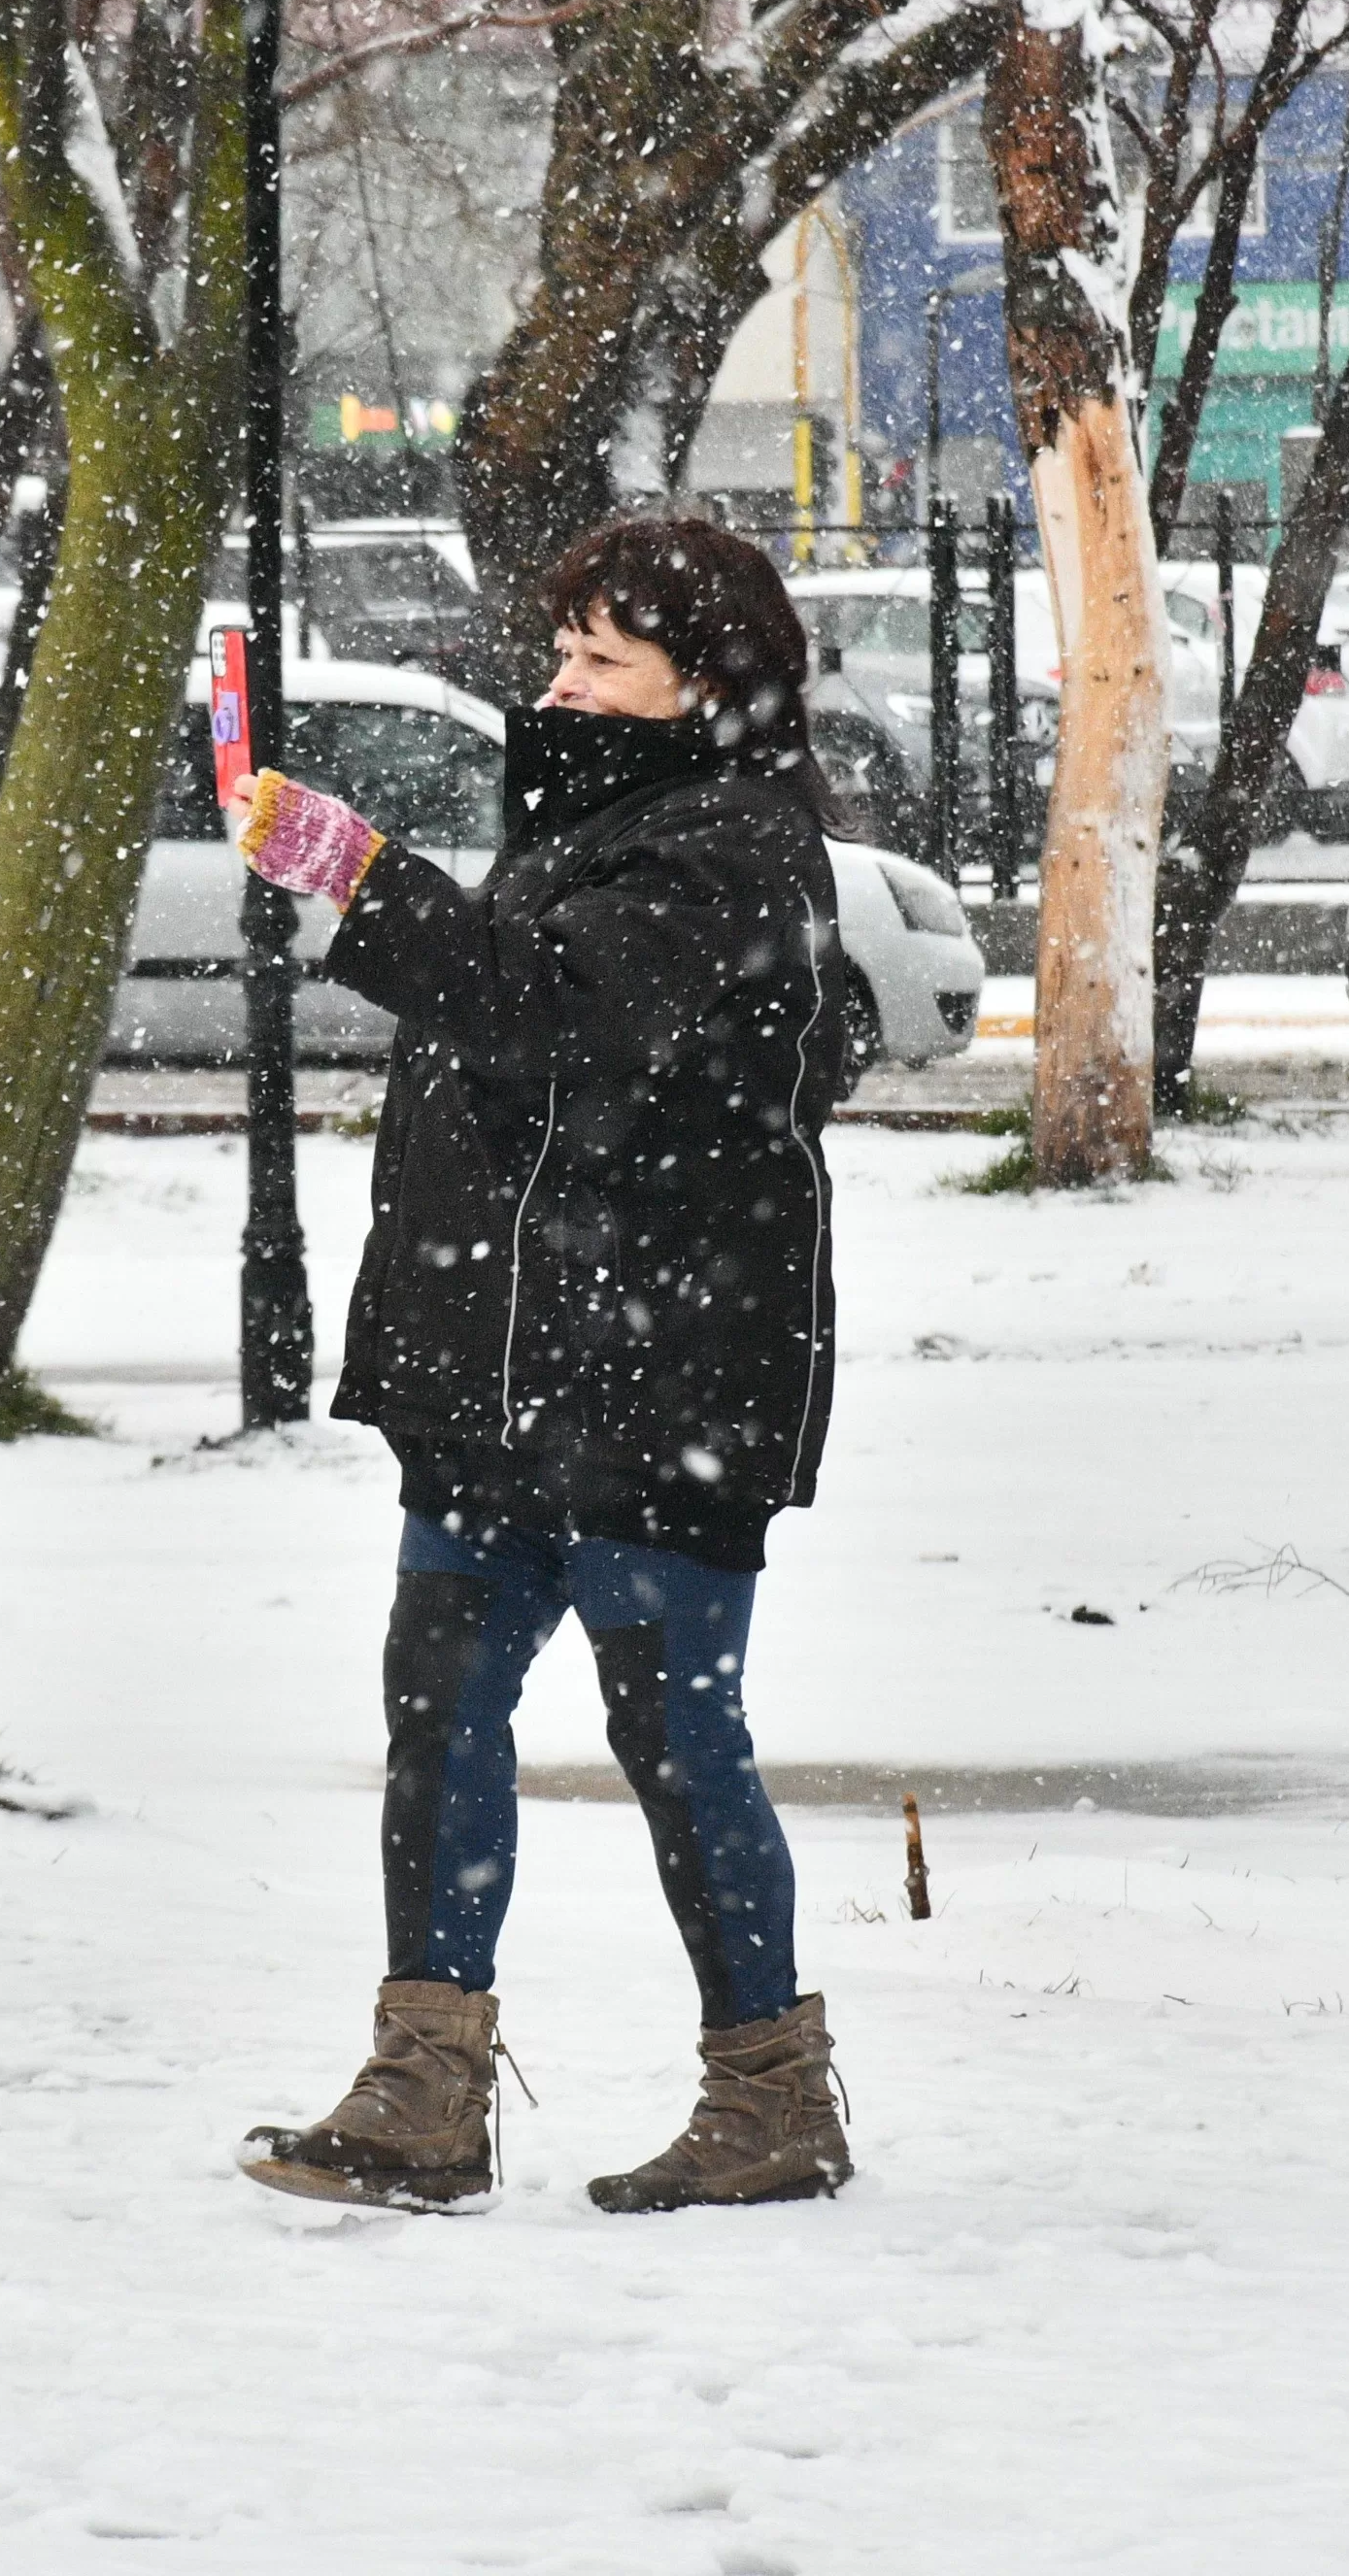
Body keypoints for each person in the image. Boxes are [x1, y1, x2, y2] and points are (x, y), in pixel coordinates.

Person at [226, 516, 853, 2216]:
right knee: (438, 1712)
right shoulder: (595, 823)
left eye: (600, 661)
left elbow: (550, 1015)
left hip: (663, 1386)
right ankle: (423, 2085)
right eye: (561, 651)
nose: (559, 683)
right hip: (502, 1379)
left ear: (703, 688)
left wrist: (353, 874)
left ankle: (771, 2096)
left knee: (676, 1733)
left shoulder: (727, 847)